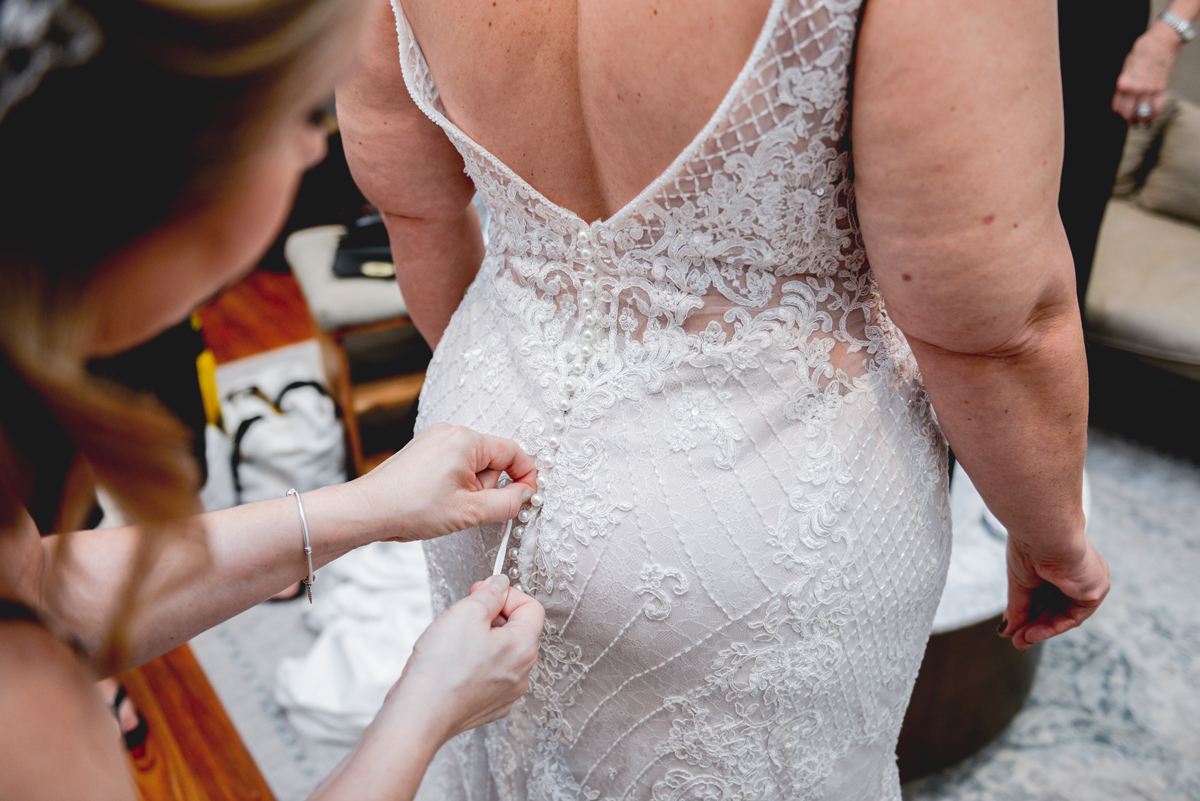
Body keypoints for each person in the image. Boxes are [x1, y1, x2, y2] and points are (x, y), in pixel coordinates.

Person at [338, 0, 1112, 798]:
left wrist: (503, 388)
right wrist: (1052, 533)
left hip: (485, 435)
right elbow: (998, 326)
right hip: (763, 502)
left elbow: (413, 202)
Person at [0, 0, 544, 798]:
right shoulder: (27, 716)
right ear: (156, 168)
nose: (309, 145)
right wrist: (424, 709)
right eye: (299, 112)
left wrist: (359, 509)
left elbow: (34, 583)